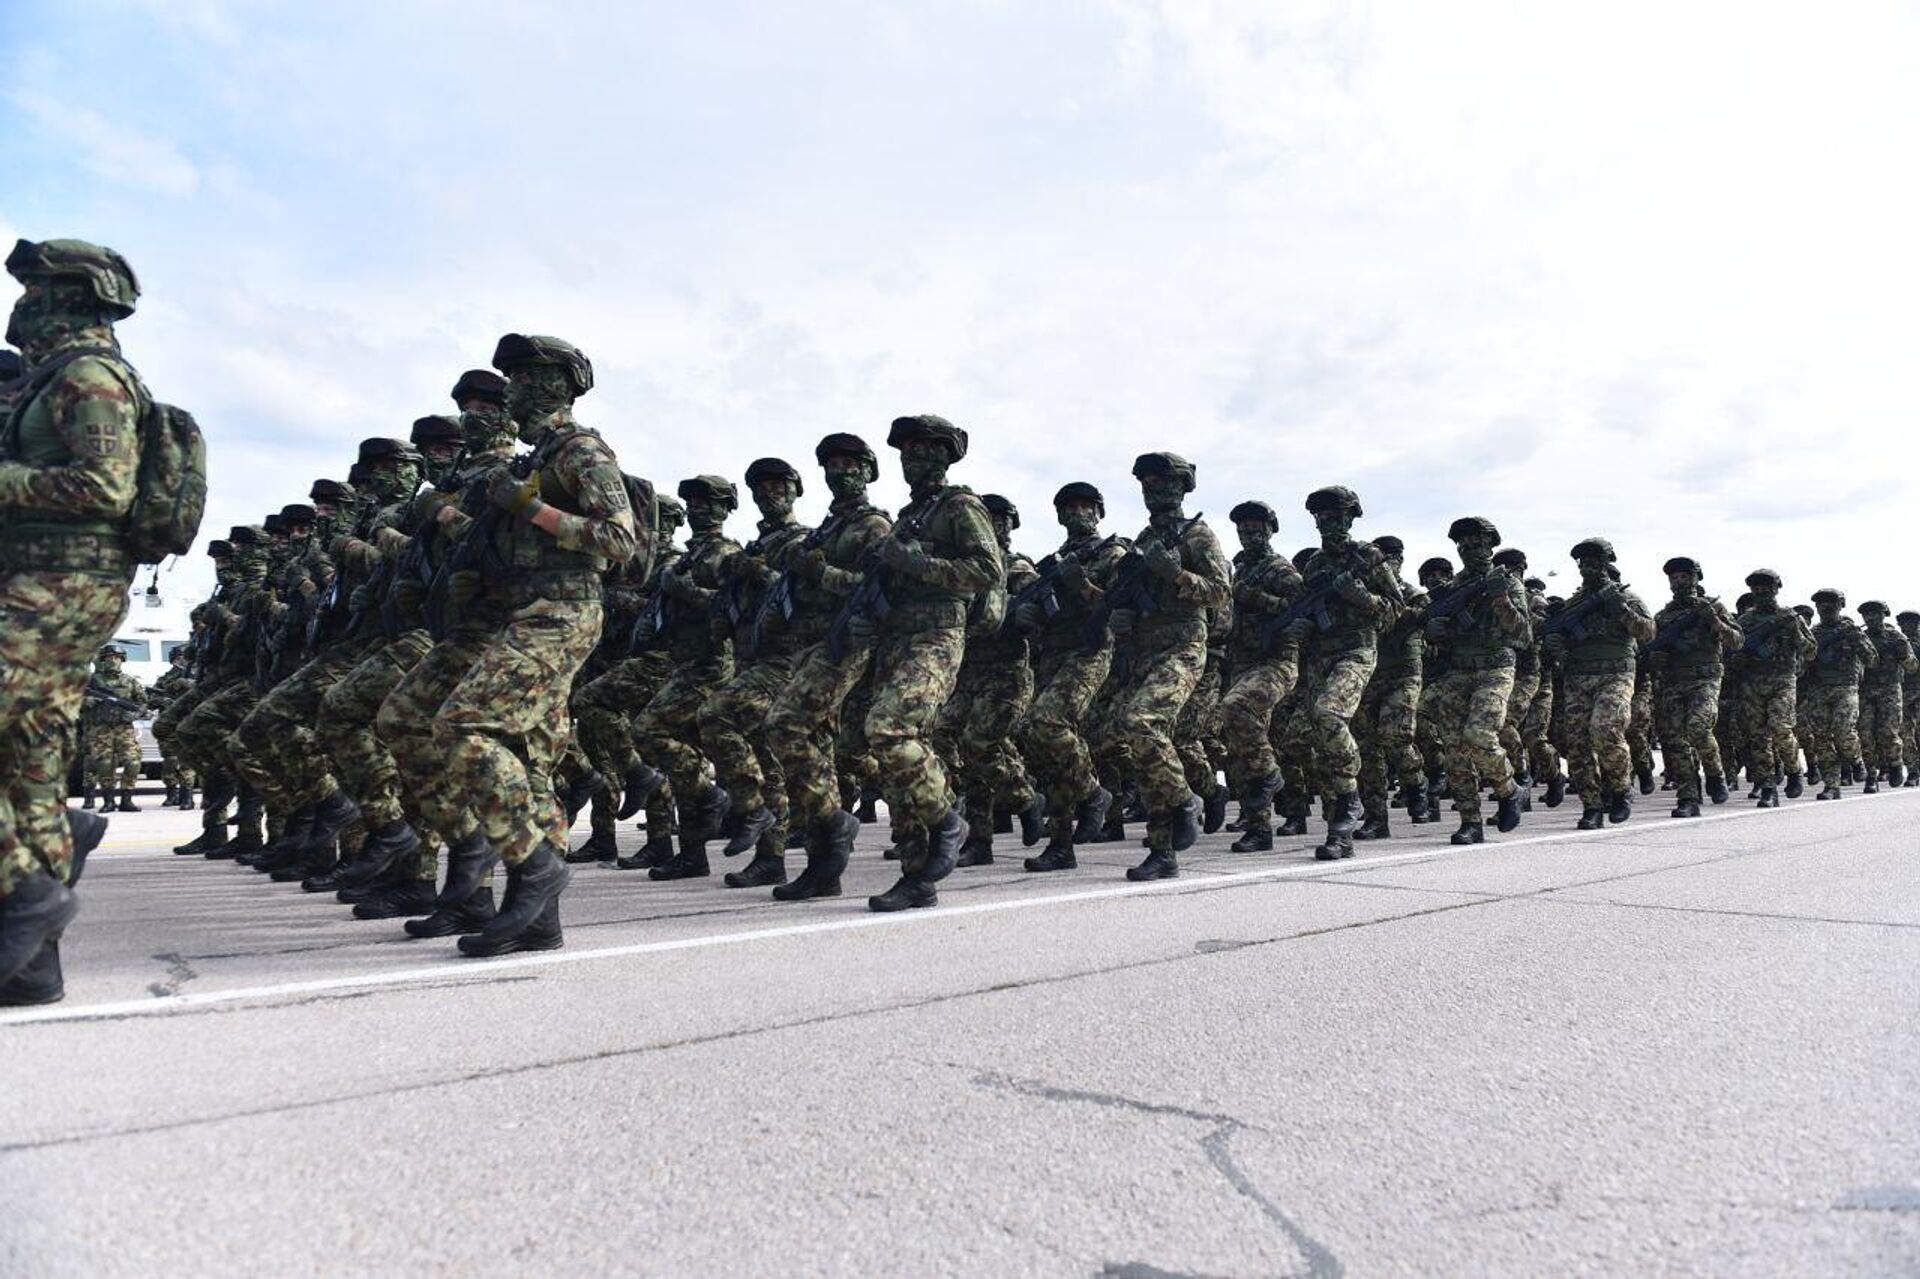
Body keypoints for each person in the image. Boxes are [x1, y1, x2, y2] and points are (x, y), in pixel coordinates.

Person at [428, 334, 636, 957]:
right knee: (534, 760)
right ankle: (539, 918)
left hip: (562, 610)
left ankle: (533, 863)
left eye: (521, 377)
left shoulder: (579, 451)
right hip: (527, 609)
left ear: (555, 386)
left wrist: (530, 507)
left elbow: (619, 539)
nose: (509, 389)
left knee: (465, 725)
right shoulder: (532, 457)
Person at [0, 237, 147, 1002]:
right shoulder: (46, 380)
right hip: (39, 578)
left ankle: (24, 893)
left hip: (65, 582)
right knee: (26, 767)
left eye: (37, 288)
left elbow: (104, 486)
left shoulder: (91, 377)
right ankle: (30, 963)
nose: (22, 301)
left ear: (74, 297)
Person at [857, 414, 1001, 911]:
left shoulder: (960, 507)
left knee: (890, 729)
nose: (910, 459)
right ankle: (917, 877)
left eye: (922, 450)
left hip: (938, 633)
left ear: (943, 456)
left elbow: (988, 569)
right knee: (893, 757)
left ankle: (947, 821)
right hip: (897, 637)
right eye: (905, 452)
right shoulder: (908, 515)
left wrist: (914, 562)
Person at [1281, 487, 1403, 861]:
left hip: (1357, 649)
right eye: (1321, 518)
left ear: (1351, 519)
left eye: (1336, 517)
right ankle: (1340, 831)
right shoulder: (1315, 564)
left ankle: (1351, 801)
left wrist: (1360, 596)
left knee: (1328, 713)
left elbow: (1397, 610)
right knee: (1318, 743)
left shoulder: (1368, 557)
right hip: (1320, 656)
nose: (1328, 523)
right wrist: (1301, 626)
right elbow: (1304, 609)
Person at [1420, 517, 1531, 843]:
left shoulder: (1507, 583)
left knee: (1479, 734)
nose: (1469, 549)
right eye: (1462, 544)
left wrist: (1501, 599)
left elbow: (1523, 636)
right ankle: (1471, 821)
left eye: (1476, 543)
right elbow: (1433, 632)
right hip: (1459, 670)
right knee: (1454, 747)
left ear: (1490, 545)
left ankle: (1510, 789)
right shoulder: (1452, 589)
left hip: (1496, 668)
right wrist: (1434, 631)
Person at [1540, 538, 1655, 828]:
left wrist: (1621, 610)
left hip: (1616, 673)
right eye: (1584, 561)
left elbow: (1648, 632)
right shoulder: (1573, 603)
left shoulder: (1625, 597)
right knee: (1576, 742)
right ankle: (1591, 804)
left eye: (1595, 560)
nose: (1589, 566)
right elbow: (1557, 640)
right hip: (1579, 676)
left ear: (1607, 563)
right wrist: (1556, 644)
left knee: (1605, 728)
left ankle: (1620, 790)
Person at [1646, 558, 1742, 817]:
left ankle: (1714, 772)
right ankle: (1688, 796)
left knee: (1698, 729)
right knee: (1676, 740)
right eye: (1674, 578)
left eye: (1684, 576)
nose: (1679, 582)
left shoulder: (1713, 607)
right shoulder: (1663, 616)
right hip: (1673, 681)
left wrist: (1715, 622)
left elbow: (1737, 641)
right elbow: (1652, 651)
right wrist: (1655, 659)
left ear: (1697, 578)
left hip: (1705, 678)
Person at [82, 644, 147, 811]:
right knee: (104, 765)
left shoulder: (130, 681)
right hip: (100, 729)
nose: (113, 660)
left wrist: (132, 716)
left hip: (124, 728)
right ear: (103, 660)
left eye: (117, 657)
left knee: (133, 762)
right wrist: (85, 703)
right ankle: (108, 801)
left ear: (122, 660)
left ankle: (127, 799)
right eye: (109, 657)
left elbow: (142, 704)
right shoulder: (91, 681)